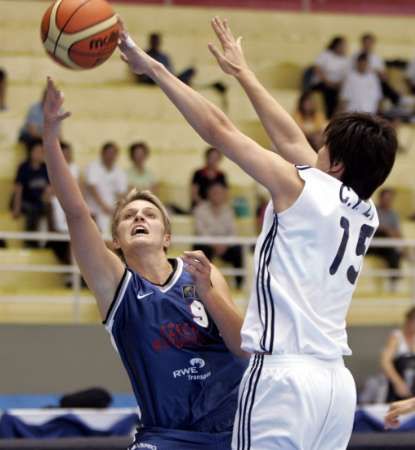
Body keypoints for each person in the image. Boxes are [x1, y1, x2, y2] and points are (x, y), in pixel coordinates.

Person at [118, 15, 397, 450]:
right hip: (335, 386)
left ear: (335, 164)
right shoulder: (365, 210)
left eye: (322, 147)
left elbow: (219, 130)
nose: (312, 149)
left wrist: (153, 68)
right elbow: (290, 140)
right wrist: (243, 74)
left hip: (283, 377)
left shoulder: (301, 189)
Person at [42, 77, 248, 450]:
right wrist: (51, 137)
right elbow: (75, 213)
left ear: (167, 236)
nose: (139, 217)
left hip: (238, 429)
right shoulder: (116, 288)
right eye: (129, 216)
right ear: (116, 241)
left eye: (150, 214)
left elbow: (243, 348)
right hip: (167, 437)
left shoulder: (202, 272)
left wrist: (209, 294)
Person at [193, 181, 243, 289]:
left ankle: (239, 286)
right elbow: (200, 231)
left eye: (220, 193)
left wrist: (224, 244)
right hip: (207, 244)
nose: (217, 195)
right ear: (208, 194)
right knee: (199, 249)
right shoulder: (200, 210)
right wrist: (214, 244)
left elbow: (233, 232)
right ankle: (204, 285)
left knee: (238, 250)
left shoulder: (229, 210)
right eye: (214, 192)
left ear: (224, 194)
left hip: (225, 246)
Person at [11, 138, 51, 248]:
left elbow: (49, 187)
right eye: (37, 151)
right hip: (25, 201)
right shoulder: (23, 167)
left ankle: (50, 242)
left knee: (49, 208)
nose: (40, 154)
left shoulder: (45, 168)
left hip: (39, 201)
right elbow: (18, 189)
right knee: (32, 209)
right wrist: (16, 208)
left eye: (42, 151)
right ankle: (30, 241)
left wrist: (47, 196)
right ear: (31, 152)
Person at [84, 142, 127, 234]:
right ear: (102, 153)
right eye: (108, 153)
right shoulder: (93, 167)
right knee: (99, 234)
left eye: (113, 153)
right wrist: (103, 206)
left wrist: (116, 209)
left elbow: (121, 193)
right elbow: (92, 188)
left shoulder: (119, 171)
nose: (111, 156)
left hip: (111, 210)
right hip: (93, 209)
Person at [354, 33, 401, 107]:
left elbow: (383, 75)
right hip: (359, 82)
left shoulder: (377, 58)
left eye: (370, 43)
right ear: (362, 43)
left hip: (374, 82)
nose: (368, 45)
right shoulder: (355, 56)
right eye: (366, 42)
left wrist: (380, 74)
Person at [368, 188, 402, 289]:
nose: (388, 201)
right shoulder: (372, 210)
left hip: (385, 246)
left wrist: (389, 232)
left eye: (390, 199)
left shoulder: (393, 215)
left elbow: (398, 234)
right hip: (371, 243)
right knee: (382, 233)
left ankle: (393, 282)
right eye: (386, 198)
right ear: (380, 198)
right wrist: (386, 230)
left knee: (395, 254)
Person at [381, 307, 415, 403]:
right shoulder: (396, 336)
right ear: (409, 321)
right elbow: (385, 362)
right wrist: (398, 382)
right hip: (397, 386)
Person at [313, 36, 350, 118]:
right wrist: (327, 82)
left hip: (337, 86)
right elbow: (317, 69)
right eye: (342, 45)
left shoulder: (346, 60)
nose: (343, 48)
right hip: (323, 83)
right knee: (329, 94)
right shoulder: (325, 55)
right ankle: (326, 116)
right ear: (335, 45)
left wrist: (338, 84)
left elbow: (345, 76)